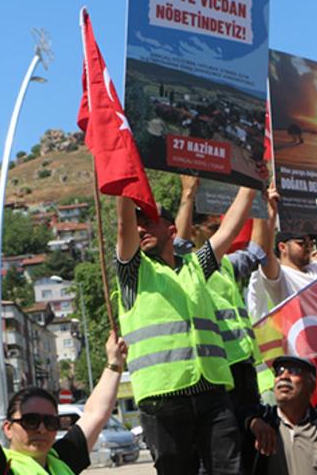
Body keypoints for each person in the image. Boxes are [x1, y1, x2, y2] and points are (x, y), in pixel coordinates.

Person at [114, 185, 255, 474]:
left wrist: (250, 183)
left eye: (149, 221)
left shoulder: (195, 267)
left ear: (172, 230)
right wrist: (123, 182)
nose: (140, 229)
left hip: (212, 393)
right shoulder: (133, 273)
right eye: (137, 223)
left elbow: (229, 229)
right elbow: (123, 224)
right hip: (162, 401)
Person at [0, 317, 126, 475]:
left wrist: (115, 363)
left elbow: (95, 413)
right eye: (30, 421)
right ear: (8, 428)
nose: (41, 428)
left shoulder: (61, 461)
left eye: (50, 422)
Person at [174, 174, 273, 406]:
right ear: (194, 230)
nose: (221, 232)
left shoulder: (226, 264)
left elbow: (256, 253)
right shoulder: (184, 269)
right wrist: (187, 193)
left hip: (245, 364)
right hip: (218, 369)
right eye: (212, 228)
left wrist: (261, 205)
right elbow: (179, 245)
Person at [245, 208, 317, 321]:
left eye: (310, 243)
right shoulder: (281, 276)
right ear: (283, 247)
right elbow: (265, 252)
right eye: (301, 243)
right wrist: (268, 211)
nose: (309, 248)